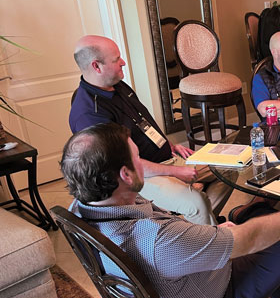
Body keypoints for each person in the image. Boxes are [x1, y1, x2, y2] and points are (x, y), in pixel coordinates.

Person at [60, 123, 280, 298]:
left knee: (258, 217)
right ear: (125, 175)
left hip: (182, 291)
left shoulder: (84, 207)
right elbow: (248, 240)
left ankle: (249, 217)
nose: (143, 162)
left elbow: (173, 239)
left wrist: (210, 234)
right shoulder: (158, 240)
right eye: (137, 158)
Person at [69, 35, 219, 226]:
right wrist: (174, 171)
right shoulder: (90, 115)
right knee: (195, 203)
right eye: (116, 60)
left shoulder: (117, 85)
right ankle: (211, 246)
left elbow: (142, 124)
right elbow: (126, 165)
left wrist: (169, 145)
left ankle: (203, 223)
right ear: (96, 66)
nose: (123, 62)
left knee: (229, 170)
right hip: (139, 177)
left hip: (165, 158)